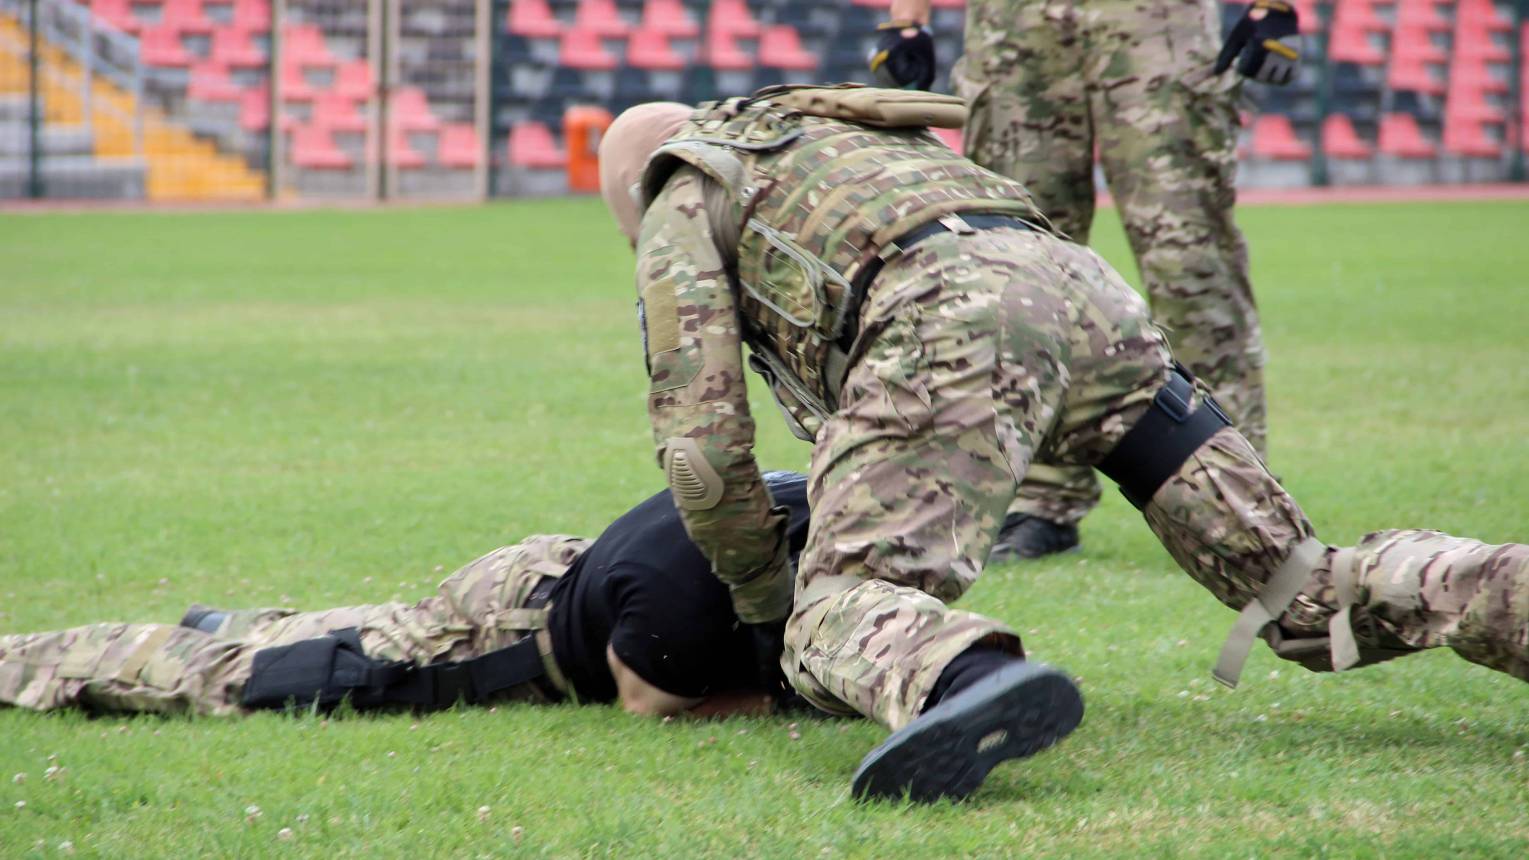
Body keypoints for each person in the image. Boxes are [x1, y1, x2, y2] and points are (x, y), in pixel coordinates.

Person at [599, 87, 1529, 804]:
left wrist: (765, 609)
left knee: (836, 608)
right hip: (1088, 303)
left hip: (947, 314)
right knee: (1297, 593)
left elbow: (704, 449)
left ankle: (971, 678)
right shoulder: (826, 134)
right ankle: (1505, 589)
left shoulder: (681, 191)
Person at [870, 0, 1303, 559]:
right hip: (1014, 24)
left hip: (1154, 20)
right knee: (1016, 265)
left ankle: (1234, 491)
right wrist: (906, 20)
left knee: (1190, 261)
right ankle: (1041, 498)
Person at [0, 473, 813, 720]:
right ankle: (25, 663)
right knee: (275, 677)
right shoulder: (684, 585)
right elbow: (646, 699)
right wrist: (776, 708)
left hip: (548, 574)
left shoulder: (799, 499)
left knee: (390, 629)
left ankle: (250, 624)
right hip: (513, 630)